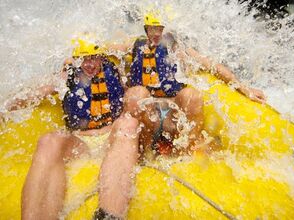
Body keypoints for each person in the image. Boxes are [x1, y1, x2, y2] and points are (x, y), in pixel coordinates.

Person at [7, 37, 146, 220]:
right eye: (84, 59)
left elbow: (133, 46)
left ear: (101, 56)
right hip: (81, 143)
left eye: (94, 58)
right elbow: (32, 94)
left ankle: (110, 216)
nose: (89, 64)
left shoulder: (115, 70)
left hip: (112, 138)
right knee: (50, 140)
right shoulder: (66, 77)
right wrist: (7, 106)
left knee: (128, 124)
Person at [110, 12, 266, 153]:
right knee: (137, 94)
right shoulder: (135, 45)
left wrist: (243, 88)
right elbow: (107, 49)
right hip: (147, 115)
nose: (157, 34)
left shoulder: (177, 48)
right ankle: (143, 153)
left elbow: (210, 64)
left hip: (172, 114)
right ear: (146, 30)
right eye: (152, 29)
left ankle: (185, 152)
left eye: (160, 29)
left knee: (192, 96)